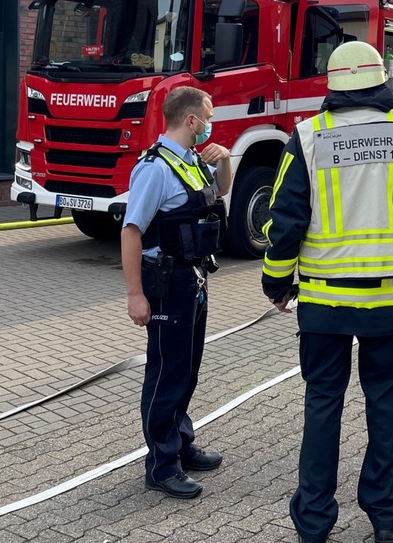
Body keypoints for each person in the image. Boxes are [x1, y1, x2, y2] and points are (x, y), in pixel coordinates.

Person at [262, 40, 393, 543]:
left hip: (323, 303)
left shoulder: (309, 135)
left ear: (332, 85)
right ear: (382, 80)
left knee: (323, 404)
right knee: (385, 402)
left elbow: (285, 219)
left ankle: (315, 523)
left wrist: (276, 281)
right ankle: (386, 519)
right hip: (390, 300)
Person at [121, 86, 233, 500]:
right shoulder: (155, 168)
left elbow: (217, 192)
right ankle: (161, 465)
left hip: (194, 279)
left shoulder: (190, 160)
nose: (210, 123)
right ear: (191, 121)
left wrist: (224, 160)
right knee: (166, 374)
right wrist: (135, 294)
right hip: (166, 283)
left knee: (187, 370)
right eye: (208, 116)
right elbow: (131, 230)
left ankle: (181, 444)